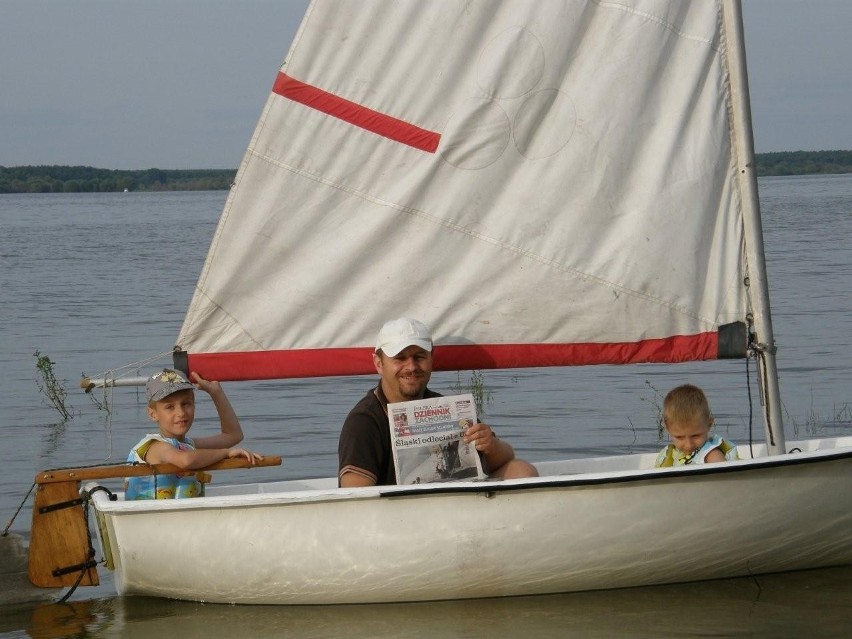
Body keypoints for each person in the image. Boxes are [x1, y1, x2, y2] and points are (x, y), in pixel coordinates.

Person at [338, 318, 539, 487]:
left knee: (522, 471)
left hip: (456, 506)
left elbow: (506, 456)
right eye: (400, 358)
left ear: (431, 358)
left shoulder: (445, 407)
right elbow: (354, 496)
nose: (411, 367)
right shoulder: (364, 420)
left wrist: (489, 444)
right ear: (379, 364)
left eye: (419, 357)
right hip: (399, 518)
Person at [125, 368, 263, 499]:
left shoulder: (189, 445)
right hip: (154, 519)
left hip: (184, 520)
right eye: (169, 407)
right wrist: (226, 453)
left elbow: (233, 435)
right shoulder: (154, 447)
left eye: (186, 404)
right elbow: (186, 460)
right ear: (153, 414)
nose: (181, 413)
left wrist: (216, 393)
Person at [654, 384, 738, 467]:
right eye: (680, 437)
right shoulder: (669, 455)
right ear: (667, 428)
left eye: (695, 436)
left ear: (709, 425)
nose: (689, 445)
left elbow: (721, 476)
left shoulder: (711, 455)